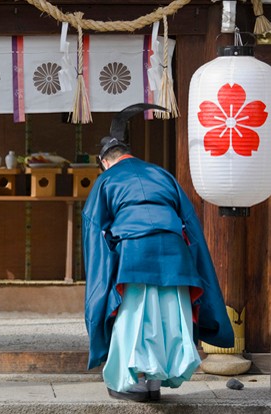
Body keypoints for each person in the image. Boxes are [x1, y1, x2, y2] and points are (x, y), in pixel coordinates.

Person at [82, 103, 234, 402]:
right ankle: (154, 385)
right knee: (168, 315)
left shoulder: (107, 180)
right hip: (175, 252)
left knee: (135, 316)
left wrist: (100, 288)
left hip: (135, 252)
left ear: (104, 162)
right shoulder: (162, 174)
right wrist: (194, 265)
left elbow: (94, 231)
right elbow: (189, 222)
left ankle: (131, 385)